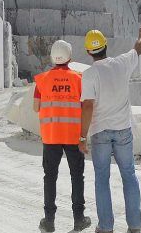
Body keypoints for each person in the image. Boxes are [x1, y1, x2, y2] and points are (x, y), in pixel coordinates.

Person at [79, 26, 141, 233]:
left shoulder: (89, 74)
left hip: (100, 132)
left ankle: (106, 227)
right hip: (123, 130)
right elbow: (137, 49)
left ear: (88, 52)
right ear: (105, 46)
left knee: (102, 178)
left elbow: (88, 106)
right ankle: (135, 226)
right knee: (129, 175)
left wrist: (82, 137)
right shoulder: (122, 63)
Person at [34, 40, 92, 232]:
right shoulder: (79, 79)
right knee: (77, 176)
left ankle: (49, 221)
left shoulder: (42, 80)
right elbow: (85, 107)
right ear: (70, 57)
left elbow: (36, 107)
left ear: (52, 57)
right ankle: (78, 219)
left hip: (51, 137)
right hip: (73, 137)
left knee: (49, 177)